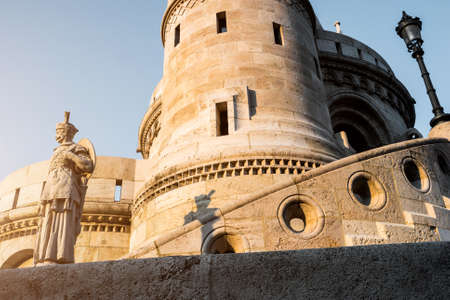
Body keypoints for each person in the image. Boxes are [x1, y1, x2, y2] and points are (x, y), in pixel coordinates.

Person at [34, 112, 94, 265]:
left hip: (66, 188)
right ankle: (45, 256)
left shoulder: (76, 148)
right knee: (48, 220)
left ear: (65, 132)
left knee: (62, 221)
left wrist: (70, 156)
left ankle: (61, 255)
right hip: (50, 190)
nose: (56, 135)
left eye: (59, 131)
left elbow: (88, 165)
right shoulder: (55, 151)